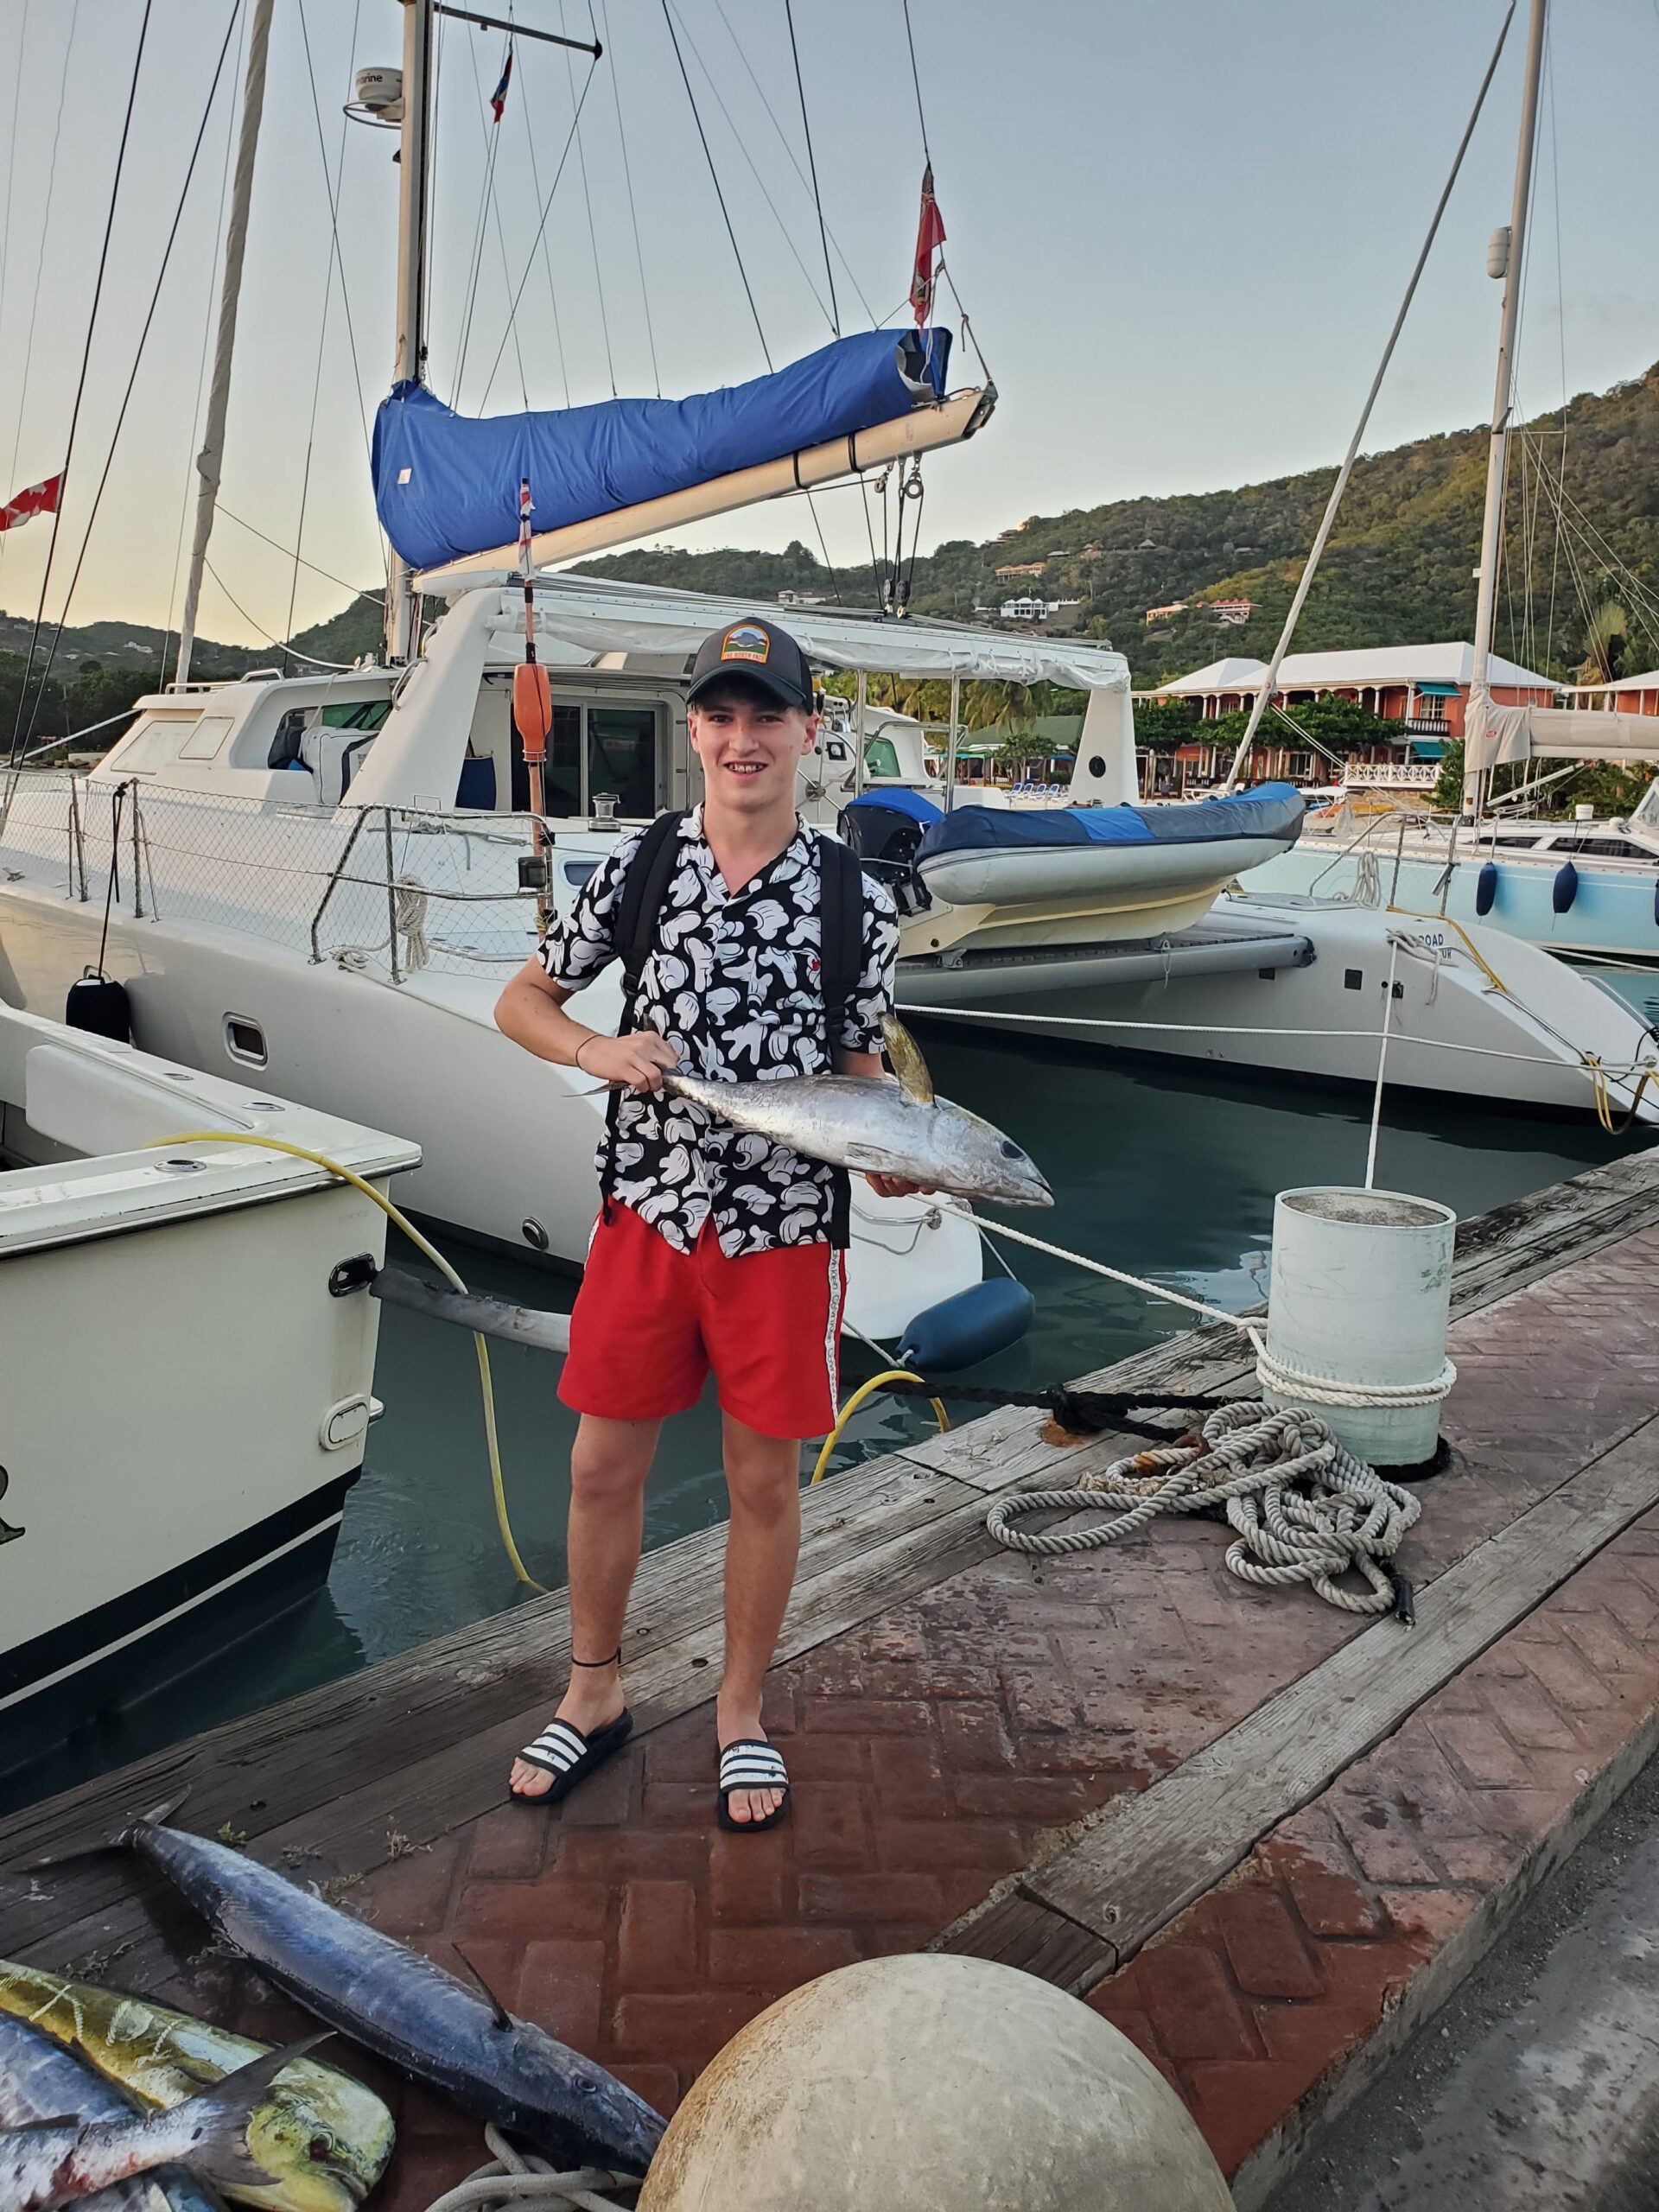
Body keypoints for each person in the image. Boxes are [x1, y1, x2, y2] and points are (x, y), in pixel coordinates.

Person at [493, 616, 923, 1833]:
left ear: (808, 732)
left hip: (783, 1230)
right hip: (646, 1212)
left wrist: (893, 1156)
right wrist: (593, 1046)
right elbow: (522, 1000)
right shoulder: (637, 867)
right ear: (693, 731)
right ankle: (593, 1692)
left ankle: (741, 1710)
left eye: (767, 716)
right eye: (722, 715)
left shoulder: (853, 898)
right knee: (600, 1464)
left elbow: (860, 1071)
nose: (744, 739)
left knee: (762, 1481)